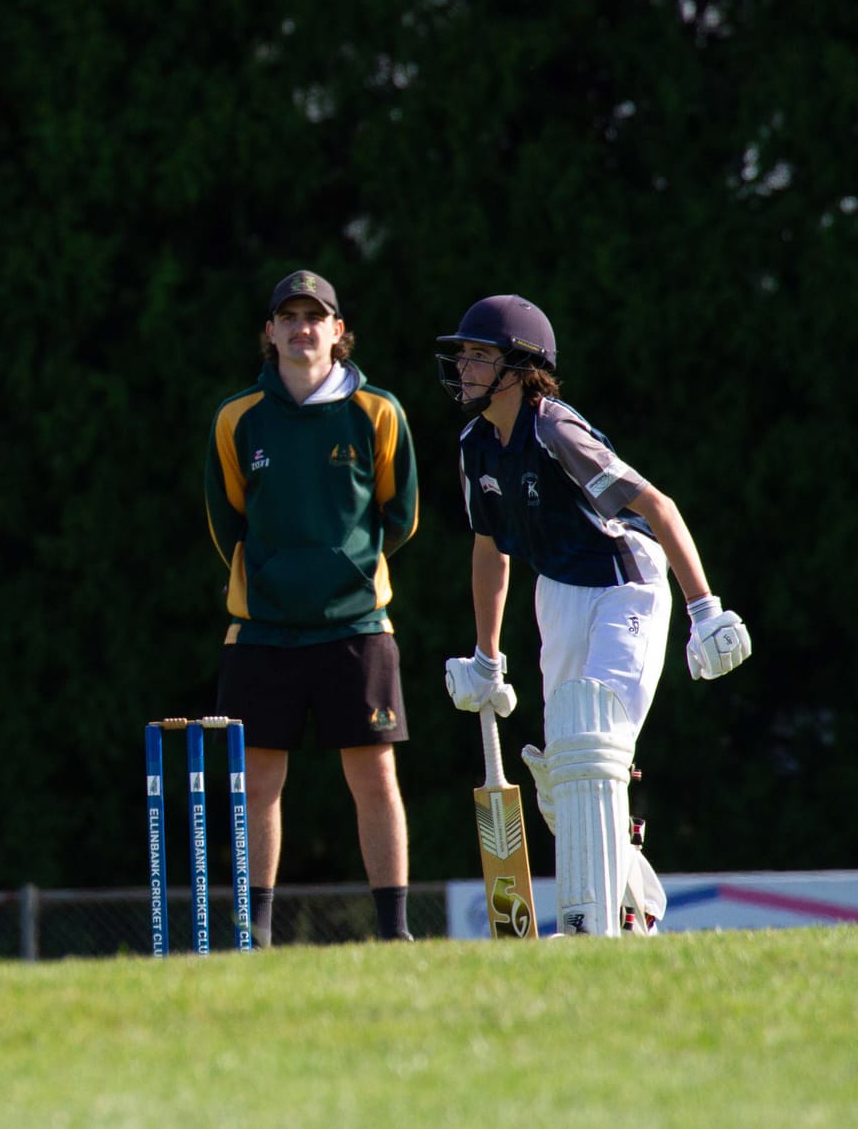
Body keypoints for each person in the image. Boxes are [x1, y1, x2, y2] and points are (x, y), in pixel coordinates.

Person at [435, 295, 751, 937]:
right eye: (463, 354)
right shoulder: (475, 445)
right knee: (562, 778)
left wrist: (705, 609)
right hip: (558, 591)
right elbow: (490, 549)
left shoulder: (555, 431)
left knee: (594, 745)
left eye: (479, 355)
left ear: (521, 368)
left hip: (624, 582)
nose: (464, 366)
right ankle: (634, 912)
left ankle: (595, 923)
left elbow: (656, 505)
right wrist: (487, 655)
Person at [203, 270, 420, 945]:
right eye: (288, 316)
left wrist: (348, 573)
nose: (302, 328)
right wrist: (270, 579)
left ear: (337, 329)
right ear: (269, 332)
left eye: (315, 316)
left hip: (356, 625)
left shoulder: (377, 411)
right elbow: (226, 523)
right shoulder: (238, 418)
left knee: (375, 774)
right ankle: (255, 930)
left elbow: (401, 514)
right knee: (258, 778)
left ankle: (394, 929)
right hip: (263, 628)